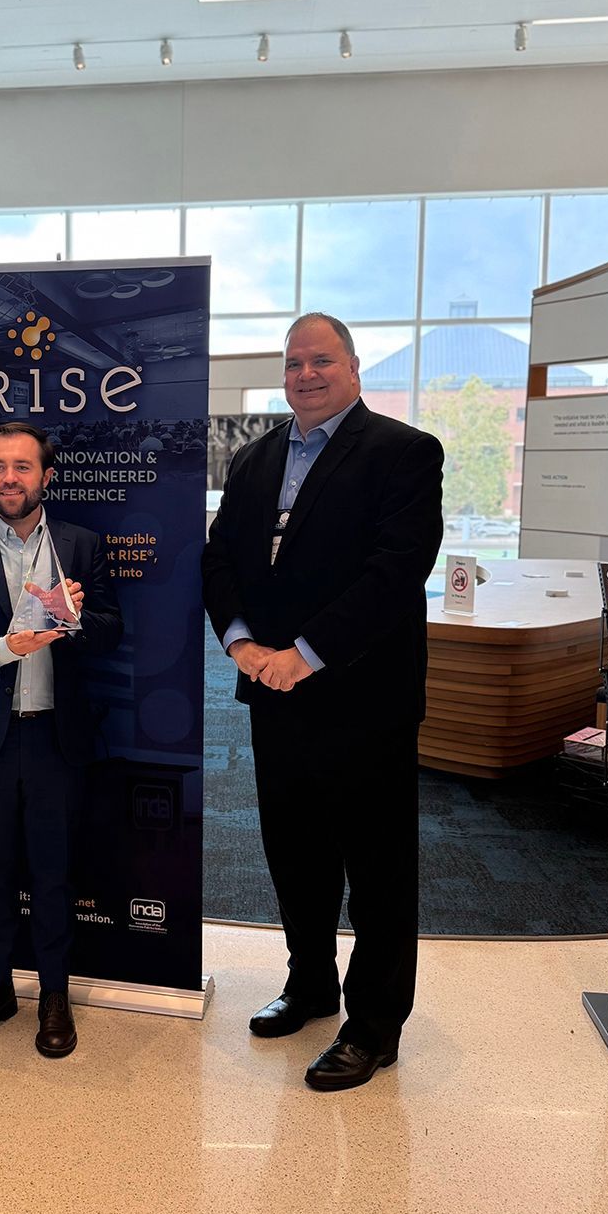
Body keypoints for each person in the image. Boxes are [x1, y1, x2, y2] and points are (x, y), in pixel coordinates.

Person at [202, 314, 443, 1091]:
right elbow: (221, 559)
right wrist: (241, 643)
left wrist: (303, 656)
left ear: (354, 367)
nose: (306, 373)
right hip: (274, 693)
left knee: (377, 867)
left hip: (363, 696)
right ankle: (310, 985)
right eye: (294, 362)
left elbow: (395, 572)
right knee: (295, 852)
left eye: (322, 360)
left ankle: (374, 1026)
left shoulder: (404, 453)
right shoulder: (256, 457)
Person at [0, 422, 123, 1058]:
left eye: (23, 467)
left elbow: (113, 630)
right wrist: (5, 648)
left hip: (54, 739)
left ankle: (55, 994)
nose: (10, 477)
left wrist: (76, 617)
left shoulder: (80, 545)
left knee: (55, 874)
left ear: (46, 476)